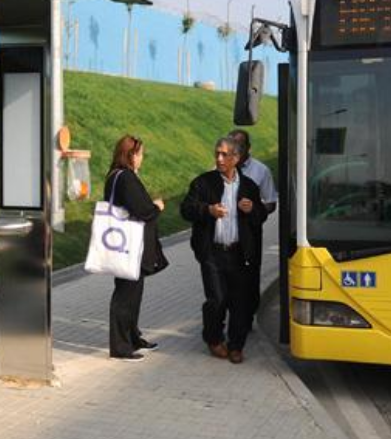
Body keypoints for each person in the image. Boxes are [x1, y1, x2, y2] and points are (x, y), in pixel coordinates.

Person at [181, 136, 268, 364]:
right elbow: (186, 209)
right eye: (217, 153)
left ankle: (236, 345)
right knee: (217, 299)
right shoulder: (203, 183)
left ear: (236, 158)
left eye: (224, 154)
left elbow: (261, 216)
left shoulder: (249, 186)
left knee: (240, 302)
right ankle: (213, 339)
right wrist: (208, 210)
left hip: (239, 253)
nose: (219, 158)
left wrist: (252, 209)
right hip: (212, 252)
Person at [102, 135, 169, 361]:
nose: (142, 158)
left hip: (126, 244)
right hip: (129, 246)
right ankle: (121, 347)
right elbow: (143, 210)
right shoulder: (126, 178)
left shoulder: (117, 176)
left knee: (133, 292)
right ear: (131, 155)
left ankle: (132, 337)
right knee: (126, 295)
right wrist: (157, 206)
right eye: (140, 154)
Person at [227, 129, 277, 321]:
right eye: (231, 144)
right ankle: (232, 318)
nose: (235, 149)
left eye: (239, 144)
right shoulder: (220, 168)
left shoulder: (260, 170)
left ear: (248, 147)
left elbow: (271, 202)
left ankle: (247, 318)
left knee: (249, 278)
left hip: (250, 235)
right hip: (226, 235)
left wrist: (254, 209)